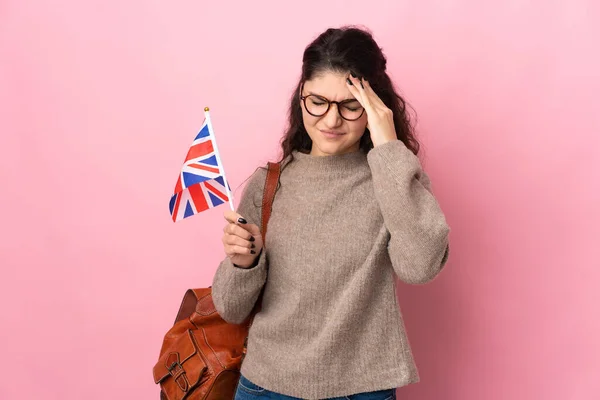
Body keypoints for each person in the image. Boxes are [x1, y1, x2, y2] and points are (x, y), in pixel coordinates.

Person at [211, 26, 451, 400]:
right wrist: (243, 264)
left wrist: (388, 146)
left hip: (363, 388)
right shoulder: (270, 183)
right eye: (318, 101)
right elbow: (230, 308)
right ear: (301, 97)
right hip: (266, 387)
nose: (331, 120)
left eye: (350, 106)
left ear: (375, 106)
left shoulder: (393, 179)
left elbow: (420, 267)